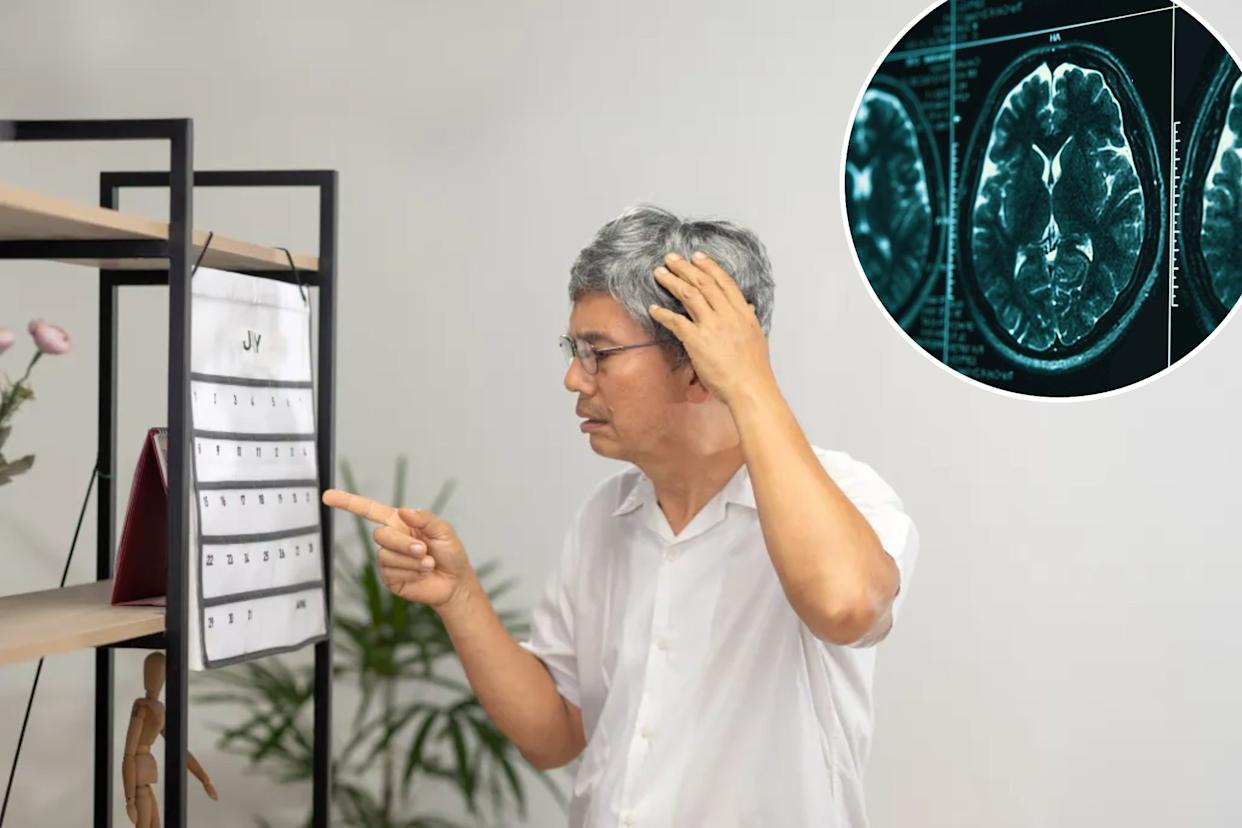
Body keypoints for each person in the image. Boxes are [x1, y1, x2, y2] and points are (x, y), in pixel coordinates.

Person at [324, 205, 919, 827]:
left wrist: (749, 381)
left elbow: (846, 606)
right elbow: (557, 732)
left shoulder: (847, 494)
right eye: (573, 349)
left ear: (695, 362)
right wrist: (458, 596)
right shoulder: (606, 516)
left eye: (598, 353)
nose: (573, 379)